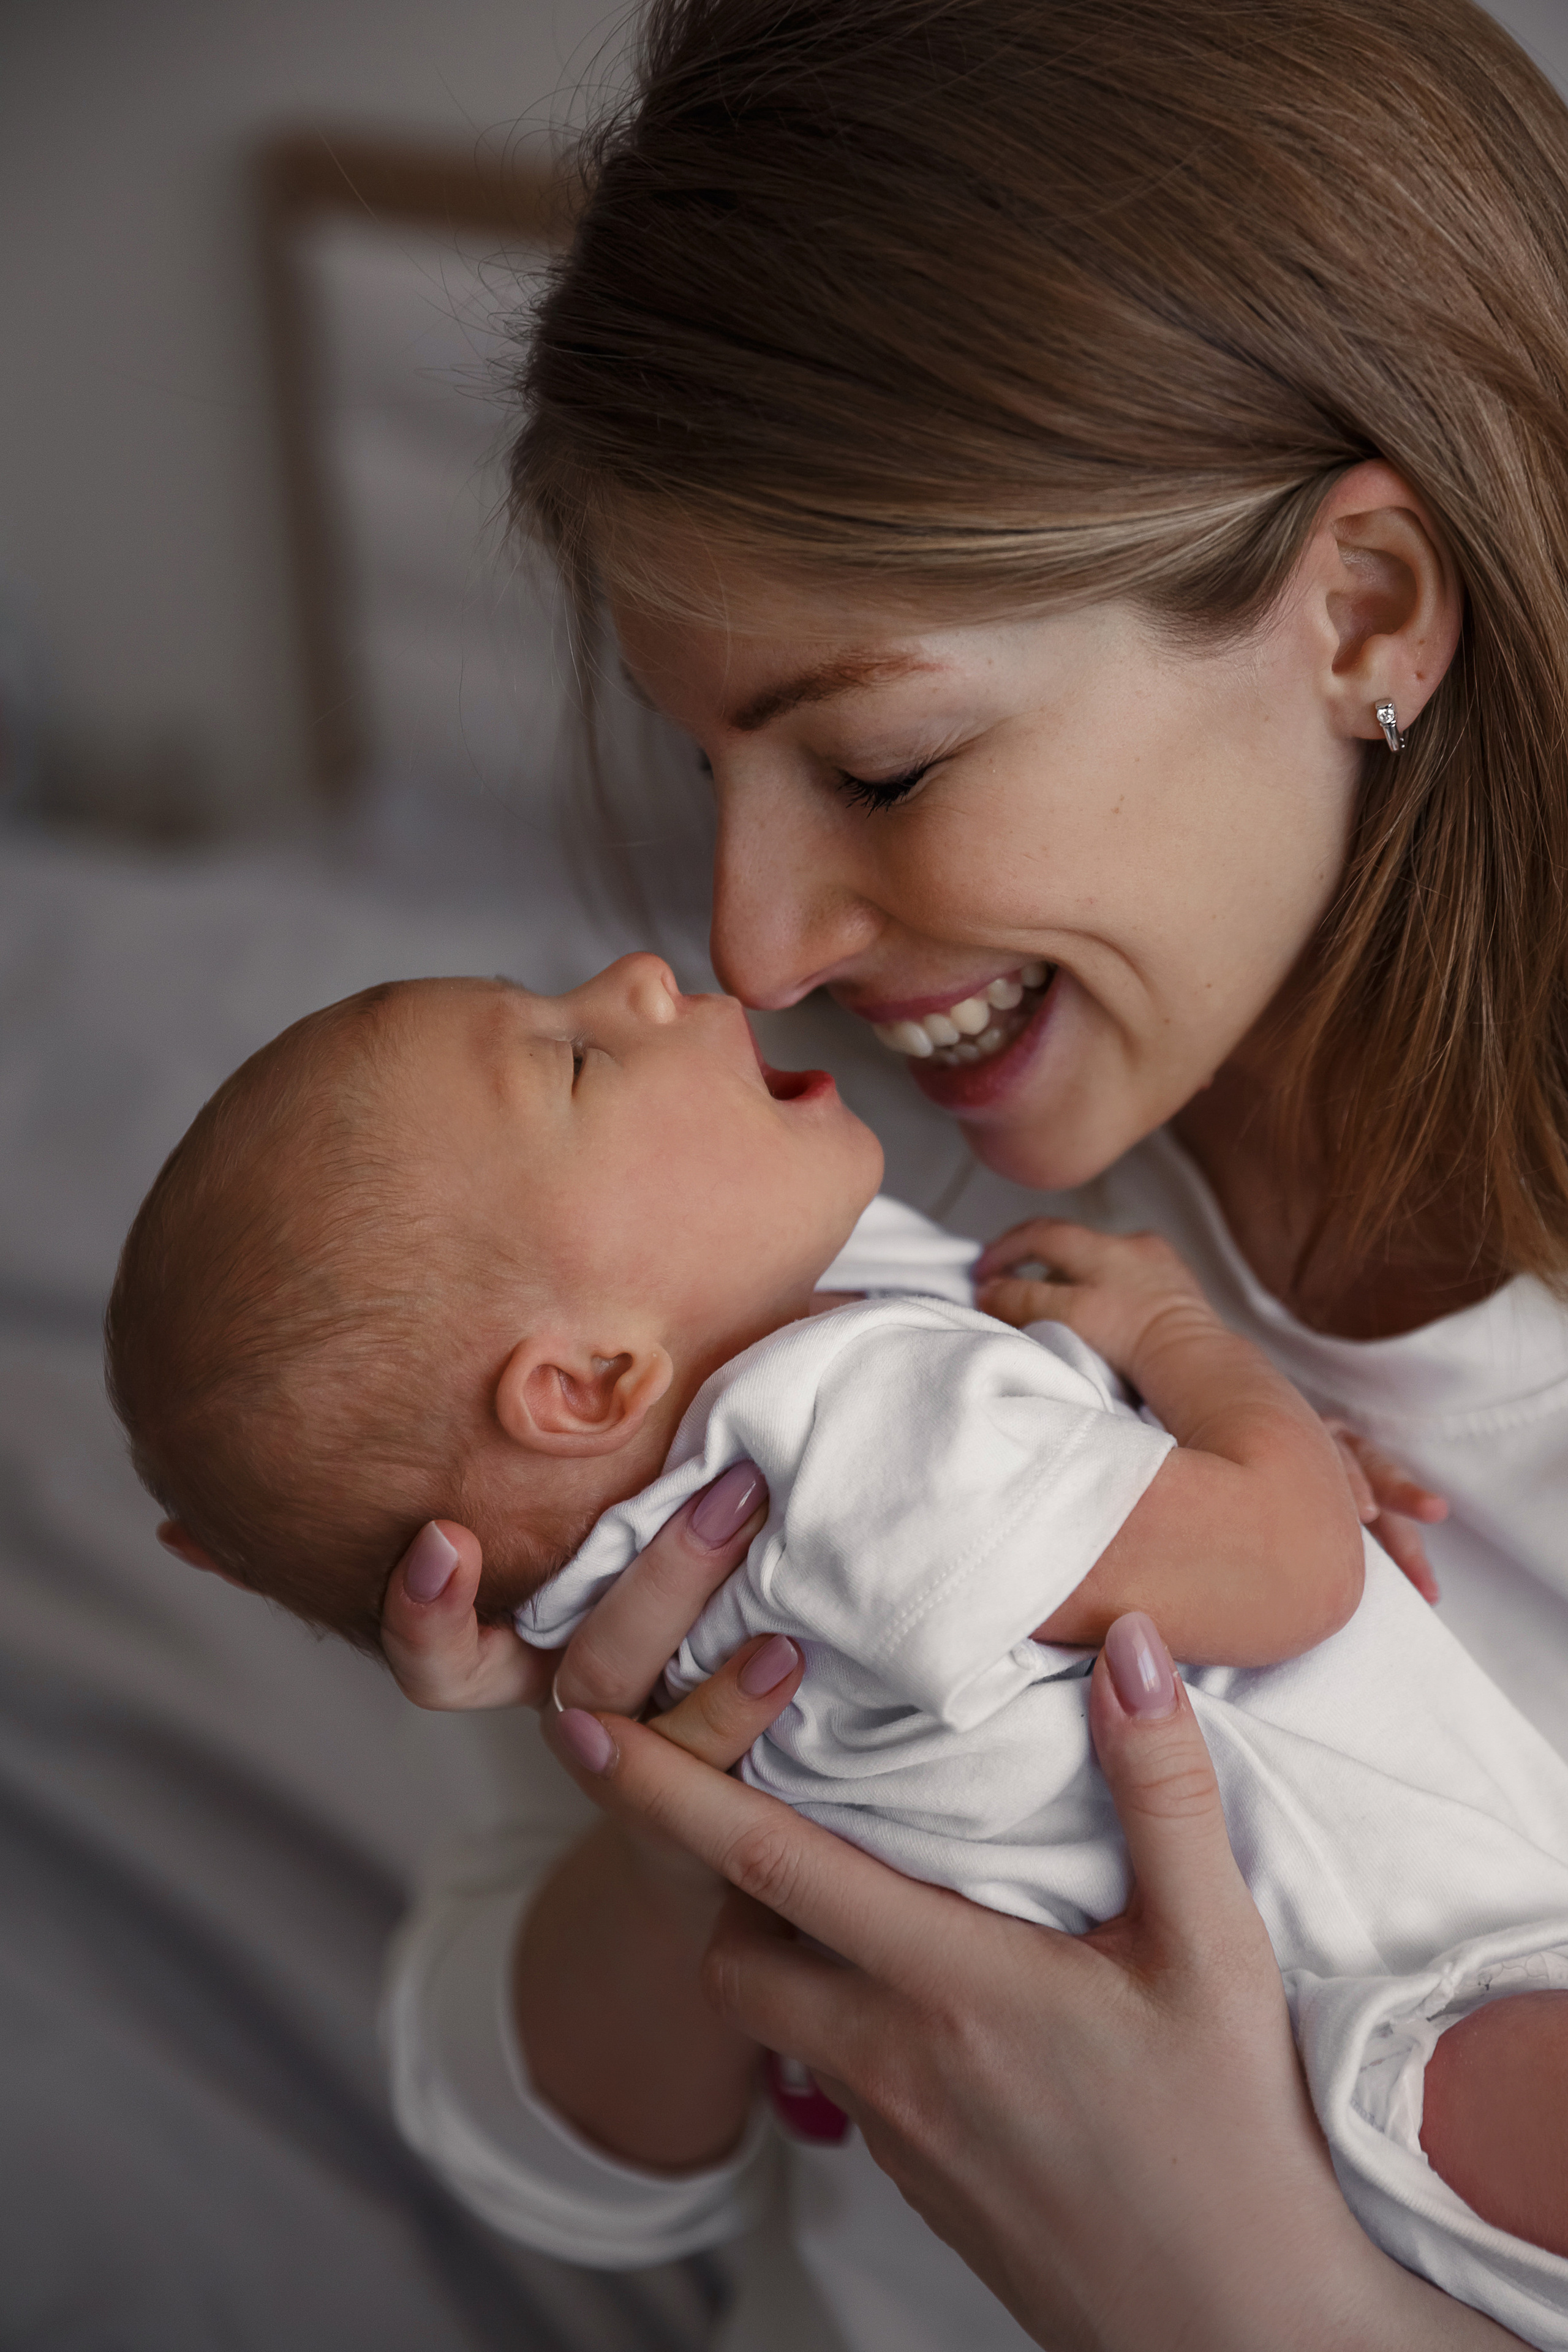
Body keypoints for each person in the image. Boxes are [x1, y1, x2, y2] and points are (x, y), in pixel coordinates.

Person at [366, 0, 1568, 2343]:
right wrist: (658, 1812)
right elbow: (549, 2158)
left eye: (888, 765)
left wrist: (1240, 2308)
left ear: (1368, 616)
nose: (751, 945)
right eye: (706, 763)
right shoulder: (782, 1231)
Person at [104, 953, 1568, 2331]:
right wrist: (1186, 1344)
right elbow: (1287, 1562)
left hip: (1354, 2109)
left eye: (882, 764)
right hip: (1385, 2042)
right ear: (590, 1382)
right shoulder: (845, 1417)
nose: (665, 961)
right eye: (570, 1060)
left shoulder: (643, 1515)